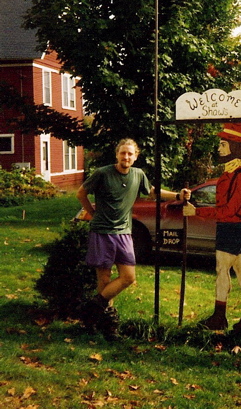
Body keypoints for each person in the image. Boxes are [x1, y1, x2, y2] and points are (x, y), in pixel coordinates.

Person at [76, 138, 190, 339]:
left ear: (135, 157)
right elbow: (81, 193)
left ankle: (91, 309)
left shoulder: (138, 175)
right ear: (117, 154)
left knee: (128, 277)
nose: (126, 157)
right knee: (104, 279)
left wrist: (178, 196)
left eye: (130, 154)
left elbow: (153, 192)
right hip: (102, 232)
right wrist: (91, 213)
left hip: (124, 233)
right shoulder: (102, 173)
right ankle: (108, 326)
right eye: (123, 153)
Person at [183, 123, 241, 334]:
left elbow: (229, 210)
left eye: (223, 144)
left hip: (233, 228)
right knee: (239, 269)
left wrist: (197, 212)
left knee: (223, 270)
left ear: (234, 147)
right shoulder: (230, 173)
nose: (219, 148)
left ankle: (220, 316)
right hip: (231, 227)